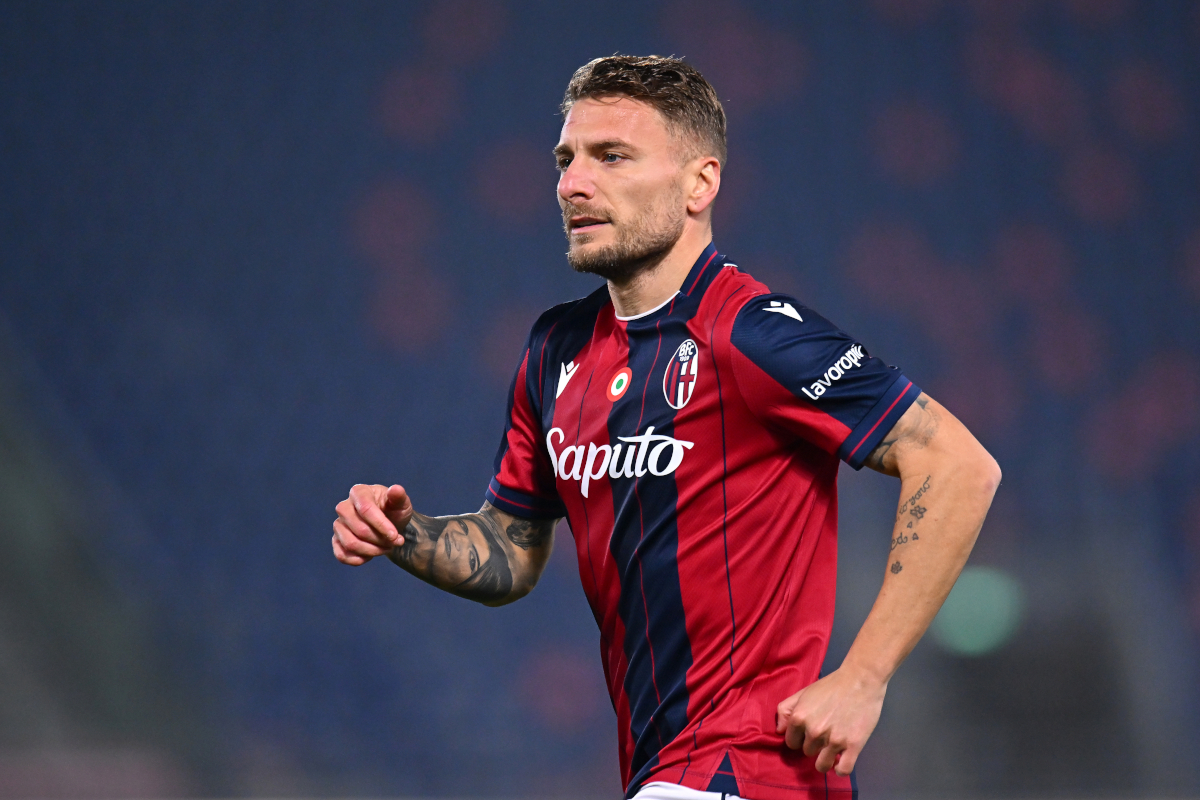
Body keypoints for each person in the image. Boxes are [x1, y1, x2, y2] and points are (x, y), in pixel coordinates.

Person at [333, 55, 1001, 800]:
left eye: (612, 156)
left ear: (699, 184)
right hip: (668, 770)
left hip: (745, 765)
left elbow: (956, 465)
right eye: (566, 159)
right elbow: (512, 550)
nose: (573, 183)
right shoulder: (556, 350)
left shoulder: (753, 333)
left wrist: (865, 677)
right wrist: (405, 534)